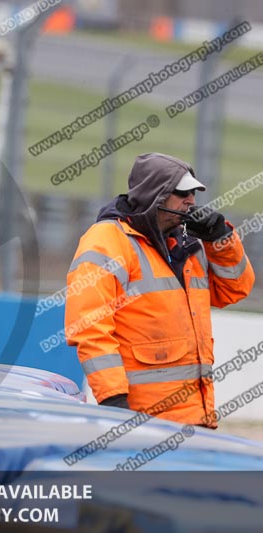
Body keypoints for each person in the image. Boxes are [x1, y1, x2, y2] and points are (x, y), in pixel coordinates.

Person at [65, 153, 254, 427]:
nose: (191, 200)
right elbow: (90, 327)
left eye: (193, 193)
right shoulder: (106, 241)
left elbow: (234, 289)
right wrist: (113, 400)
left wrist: (220, 239)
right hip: (137, 418)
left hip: (195, 417)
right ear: (156, 194)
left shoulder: (189, 243)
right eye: (182, 192)